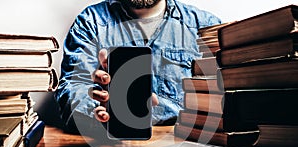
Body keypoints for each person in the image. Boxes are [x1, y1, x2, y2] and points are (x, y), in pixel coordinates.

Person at [55, 0, 221, 134]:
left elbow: (226, 99)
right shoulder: (91, 23)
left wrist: (143, 112)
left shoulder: (205, 27)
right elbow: (72, 88)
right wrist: (99, 111)